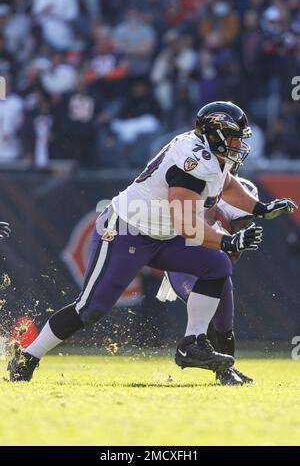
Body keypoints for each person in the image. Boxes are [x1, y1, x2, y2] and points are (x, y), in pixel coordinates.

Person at [8, 101, 297, 382]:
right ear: (213, 134)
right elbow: (186, 223)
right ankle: (28, 356)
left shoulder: (210, 155)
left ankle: (192, 342)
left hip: (163, 235)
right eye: (233, 137)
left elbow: (226, 182)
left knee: (217, 267)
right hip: (127, 231)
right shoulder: (192, 162)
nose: (237, 145)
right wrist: (228, 241)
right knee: (90, 309)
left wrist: (259, 208)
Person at [157, 175, 259, 385]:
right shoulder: (207, 214)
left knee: (224, 322)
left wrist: (235, 245)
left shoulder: (226, 221)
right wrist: (228, 241)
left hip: (208, 270)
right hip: (182, 268)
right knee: (209, 314)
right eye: (244, 219)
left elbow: (226, 263)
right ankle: (209, 362)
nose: (246, 224)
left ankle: (227, 368)